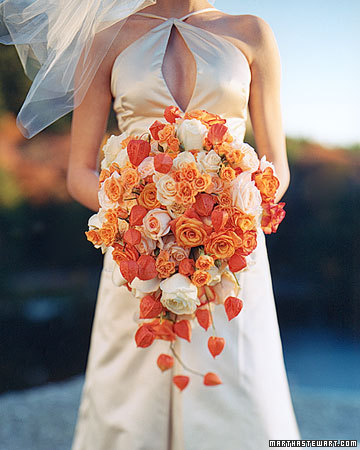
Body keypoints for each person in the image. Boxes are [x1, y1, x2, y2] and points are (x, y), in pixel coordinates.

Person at [1, 0, 301, 448]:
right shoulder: (105, 40)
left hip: (229, 255)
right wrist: (137, 221)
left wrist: (231, 216)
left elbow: (277, 164)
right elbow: (80, 172)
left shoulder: (252, 33)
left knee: (237, 388)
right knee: (132, 397)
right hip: (135, 255)